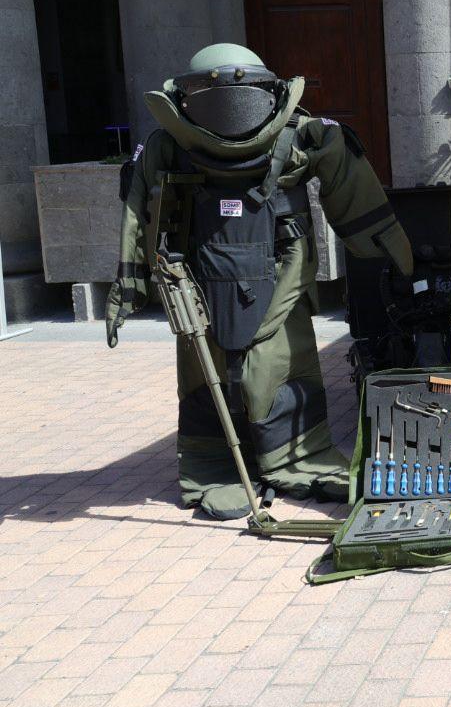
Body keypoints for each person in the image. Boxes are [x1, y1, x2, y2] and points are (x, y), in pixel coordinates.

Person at [107, 45, 413, 520]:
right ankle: (271, 456)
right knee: (274, 367)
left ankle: (228, 462)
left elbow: (135, 215)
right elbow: (346, 170)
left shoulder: (168, 145)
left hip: (220, 279)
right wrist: (387, 246)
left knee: (227, 370)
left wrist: (129, 287)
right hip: (239, 278)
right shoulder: (298, 136)